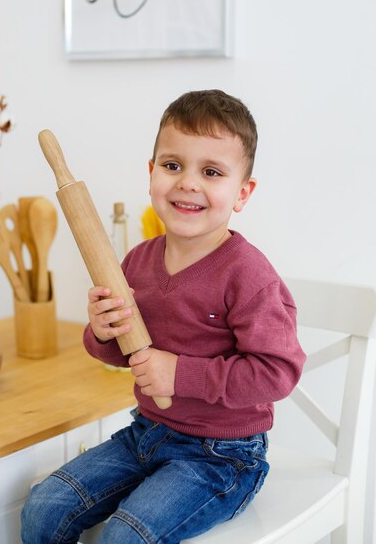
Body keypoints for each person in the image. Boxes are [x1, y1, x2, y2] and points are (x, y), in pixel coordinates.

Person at [21, 89, 306, 543]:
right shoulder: (136, 261)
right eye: (173, 166)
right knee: (42, 508)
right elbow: (123, 355)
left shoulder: (248, 275)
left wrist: (181, 375)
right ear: (151, 173)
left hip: (221, 456)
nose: (188, 183)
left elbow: (279, 372)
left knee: (122, 537)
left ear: (242, 193)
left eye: (211, 172)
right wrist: (101, 332)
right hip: (146, 433)